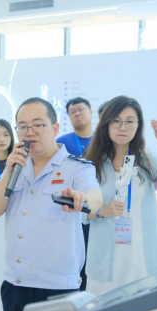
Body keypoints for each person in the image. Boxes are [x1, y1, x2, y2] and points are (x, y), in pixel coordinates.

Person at [0, 97, 103, 311]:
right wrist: (8, 172)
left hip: (57, 289)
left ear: (55, 128)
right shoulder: (15, 168)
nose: (30, 132)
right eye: (23, 126)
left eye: (38, 125)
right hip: (15, 284)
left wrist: (83, 199)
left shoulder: (76, 167)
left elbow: (95, 197)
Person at [84, 96, 157, 297]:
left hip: (144, 253)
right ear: (106, 124)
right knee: (106, 310)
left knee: (146, 310)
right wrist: (103, 211)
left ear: (138, 126)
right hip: (107, 258)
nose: (123, 127)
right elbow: (78, 211)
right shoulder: (92, 162)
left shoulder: (146, 158)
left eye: (130, 121)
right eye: (116, 120)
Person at [56, 97, 96, 290]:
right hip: (73, 211)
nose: (77, 113)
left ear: (91, 112)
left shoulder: (103, 141)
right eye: (73, 112)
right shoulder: (61, 143)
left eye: (81, 109)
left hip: (100, 209)